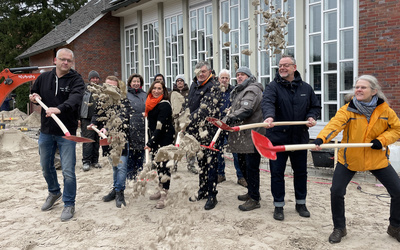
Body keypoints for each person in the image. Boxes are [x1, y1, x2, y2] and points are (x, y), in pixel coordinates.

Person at [314, 75, 400, 244]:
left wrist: (381, 141)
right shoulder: (348, 109)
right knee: (336, 191)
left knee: (398, 192)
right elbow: (334, 125)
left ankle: (395, 227)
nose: (358, 90)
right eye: (357, 87)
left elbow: (396, 130)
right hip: (350, 159)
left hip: (376, 159)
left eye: (363, 87)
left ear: (374, 91)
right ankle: (340, 228)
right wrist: (321, 139)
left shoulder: (385, 111)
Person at [262, 55, 321, 221]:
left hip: (299, 138)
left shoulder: (306, 88)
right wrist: (269, 117)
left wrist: (311, 117)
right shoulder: (272, 87)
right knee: (277, 173)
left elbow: (315, 106)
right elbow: (267, 103)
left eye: (286, 65)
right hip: (278, 139)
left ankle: (300, 203)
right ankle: (279, 205)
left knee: (301, 172)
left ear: (294, 67)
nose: (282, 68)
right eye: (280, 65)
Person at [29, 48, 84, 222]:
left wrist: (59, 109)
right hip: (46, 131)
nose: (65, 63)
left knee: (68, 170)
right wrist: (33, 96)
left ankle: (69, 203)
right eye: (62, 59)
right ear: (55, 60)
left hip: (66, 132)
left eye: (69, 60)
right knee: (46, 166)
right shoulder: (44, 78)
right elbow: (32, 92)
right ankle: (54, 192)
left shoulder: (76, 79)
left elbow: (75, 98)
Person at [223, 67, 265, 211]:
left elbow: (246, 109)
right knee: (244, 166)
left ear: (249, 76)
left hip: (252, 135)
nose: (239, 77)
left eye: (242, 75)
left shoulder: (251, 90)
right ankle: (251, 192)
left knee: (251, 167)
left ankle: (254, 198)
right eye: (237, 75)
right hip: (243, 136)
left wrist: (228, 118)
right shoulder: (241, 90)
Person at [91, 76, 132, 208]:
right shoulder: (101, 100)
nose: (109, 89)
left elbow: (122, 117)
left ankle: (120, 192)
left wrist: (108, 128)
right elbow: (96, 115)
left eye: (113, 86)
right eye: (107, 85)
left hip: (120, 139)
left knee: (121, 166)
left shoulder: (123, 101)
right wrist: (93, 123)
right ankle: (115, 189)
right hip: (107, 139)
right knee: (114, 166)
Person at [187, 61, 222, 210]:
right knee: (201, 162)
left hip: (211, 131)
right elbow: (189, 104)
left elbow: (205, 109)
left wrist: (187, 119)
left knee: (211, 163)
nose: (200, 74)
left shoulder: (214, 86)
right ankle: (203, 189)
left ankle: (212, 195)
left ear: (209, 72)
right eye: (198, 72)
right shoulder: (194, 85)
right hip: (196, 130)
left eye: (203, 71)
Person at [144, 80, 175, 209]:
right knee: (158, 166)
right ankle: (160, 189)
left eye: (159, 89)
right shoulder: (151, 103)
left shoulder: (164, 105)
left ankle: (164, 194)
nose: (156, 91)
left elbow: (159, 126)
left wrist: (150, 142)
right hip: (156, 139)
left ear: (164, 91)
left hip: (164, 140)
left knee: (164, 167)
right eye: (154, 88)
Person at [170, 74, 198, 174]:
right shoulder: (172, 93)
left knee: (190, 143)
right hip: (175, 122)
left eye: (181, 80)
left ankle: (191, 165)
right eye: (178, 81)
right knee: (175, 144)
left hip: (187, 121)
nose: (180, 82)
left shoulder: (189, 93)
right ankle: (174, 164)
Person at [80, 70, 101, 171]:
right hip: (86, 118)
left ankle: (95, 161)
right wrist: (78, 118)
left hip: (98, 119)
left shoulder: (101, 90)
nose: (95, 80)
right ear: (89, 79)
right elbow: (79, 104)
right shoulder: (84, 89)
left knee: (96, 140)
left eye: (96, 78)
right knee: (88, 140)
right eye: (93, 78)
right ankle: (86, 161)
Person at [126, 73, 146, 180]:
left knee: (141, 153)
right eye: (134, 81)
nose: (136, 84)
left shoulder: (145, 95)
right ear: (130, 83)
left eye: (138, 82)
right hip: (130, 127)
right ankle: (129, 175)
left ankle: (139, 174)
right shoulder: (126, 95)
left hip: (142, 128)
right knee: (131, 153)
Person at [216, 69, 234, 184]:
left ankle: (241, 176)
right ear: (219, 79)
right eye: (222, 78)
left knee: (235, 151)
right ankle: (220, 174)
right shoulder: (215, 91)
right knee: (218, 150)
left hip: (231, 124)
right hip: (218, 124)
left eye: (226, 78)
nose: (224, 80)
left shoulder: (233, 91)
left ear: (229, 79)